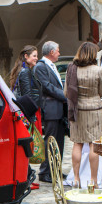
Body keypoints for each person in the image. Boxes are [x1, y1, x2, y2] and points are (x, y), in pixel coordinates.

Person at [65, 42, 102, 188]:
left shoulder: (72, 69)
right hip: (94, 109)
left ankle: (76, 178)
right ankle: (93, 181)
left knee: (77, 143)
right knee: (93, 143)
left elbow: (66, 92)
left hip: (77, 110)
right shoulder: (98, 70)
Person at [34, 41, 66, 184]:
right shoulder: (41, 67)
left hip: (59, 108)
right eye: (58, 51)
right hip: (51, 108)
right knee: (50, 140)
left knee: (59, 141)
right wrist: (65, 96)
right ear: (51, 52)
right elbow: (47, 87)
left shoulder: (51, 66)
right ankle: (45, 171)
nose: (59, 53)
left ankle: (56, 169)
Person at [9, 45, 41, 109]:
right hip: (29, 112)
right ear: (26, 56)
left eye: (37, 56)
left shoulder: (23, 69)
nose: (37, 58)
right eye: (34, 56)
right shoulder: (25, 71)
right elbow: (27, 96)